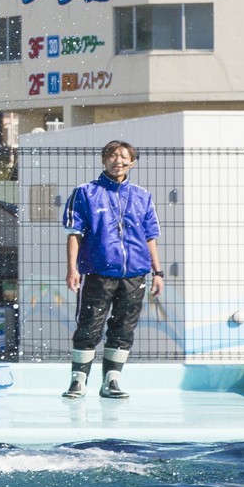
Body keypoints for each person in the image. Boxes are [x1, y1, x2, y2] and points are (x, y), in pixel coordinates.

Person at [62, 140, 163, 400]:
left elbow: (150, 236)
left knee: (124, 327)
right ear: (103, 160)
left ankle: (112, 381)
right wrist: (72, 269)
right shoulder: (85, 192)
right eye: (112, 156)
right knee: (89, 325)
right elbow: (75, 233)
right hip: (97, 272)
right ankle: (78, 380)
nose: (117, 161)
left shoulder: (142, 196)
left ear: (132, 162)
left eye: (123, 157)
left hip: (135, 273)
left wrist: (158, 272)